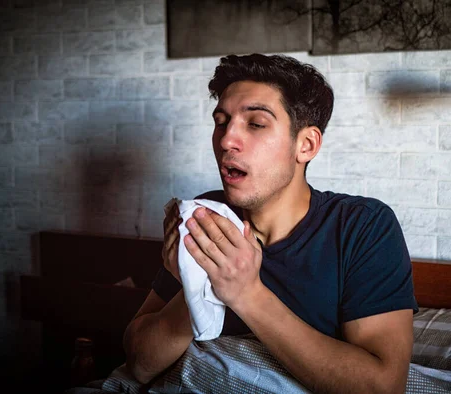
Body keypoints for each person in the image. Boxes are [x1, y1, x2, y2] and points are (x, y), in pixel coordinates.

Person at [123, 53, 418, 394]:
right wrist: (196, 289)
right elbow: (139, 365)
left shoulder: (362, 227)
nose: (225, 140)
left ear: (305, 145)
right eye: (221, 121)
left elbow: (382, 387)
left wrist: (246, 293)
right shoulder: (208, 215)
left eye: (256, 124)